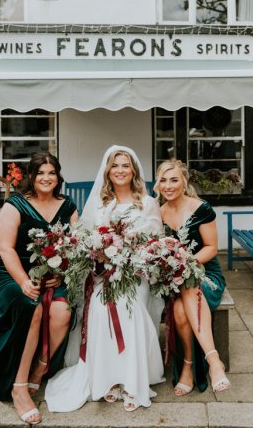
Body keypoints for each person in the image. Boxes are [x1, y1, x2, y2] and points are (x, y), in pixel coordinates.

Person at [45, 145, 165, 412]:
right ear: (107, 171)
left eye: (125, 165)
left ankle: (133, 383)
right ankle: (108, 379)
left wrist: (131, 254)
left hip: (136, 275)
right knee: (99, 310)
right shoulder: (100, 206)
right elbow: (87, 242)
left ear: (133, 170)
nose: (120, 170)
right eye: (115, 165)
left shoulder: (147, 203)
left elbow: (154, 240)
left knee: (130, 308)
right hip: (103, 275)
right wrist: (100, 259)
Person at [0, 152, 78, 425]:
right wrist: (24, 280)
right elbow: (5, 249)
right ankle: (19, 387)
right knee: (33, 307)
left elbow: (75, 247)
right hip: (11, 274)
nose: (46, 178)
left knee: (63, 312)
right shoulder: (15, 205)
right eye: (40, 173)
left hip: (52, 275)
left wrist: (61, 274)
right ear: (31, 177)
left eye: (52, 172)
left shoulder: (67, 205)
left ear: (58, 176)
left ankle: (40, 369)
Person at [155, 159, 230, 396]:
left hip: (205, 273)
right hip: (171, 278)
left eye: (174, 180)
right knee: (178, 310)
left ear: (184, 181)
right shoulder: (156, 212)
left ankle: (211, 361)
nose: (168, 185)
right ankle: (195, 363)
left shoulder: (201, 208)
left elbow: (211, 248)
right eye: (163, 180)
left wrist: (185, 264)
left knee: (189, 286)